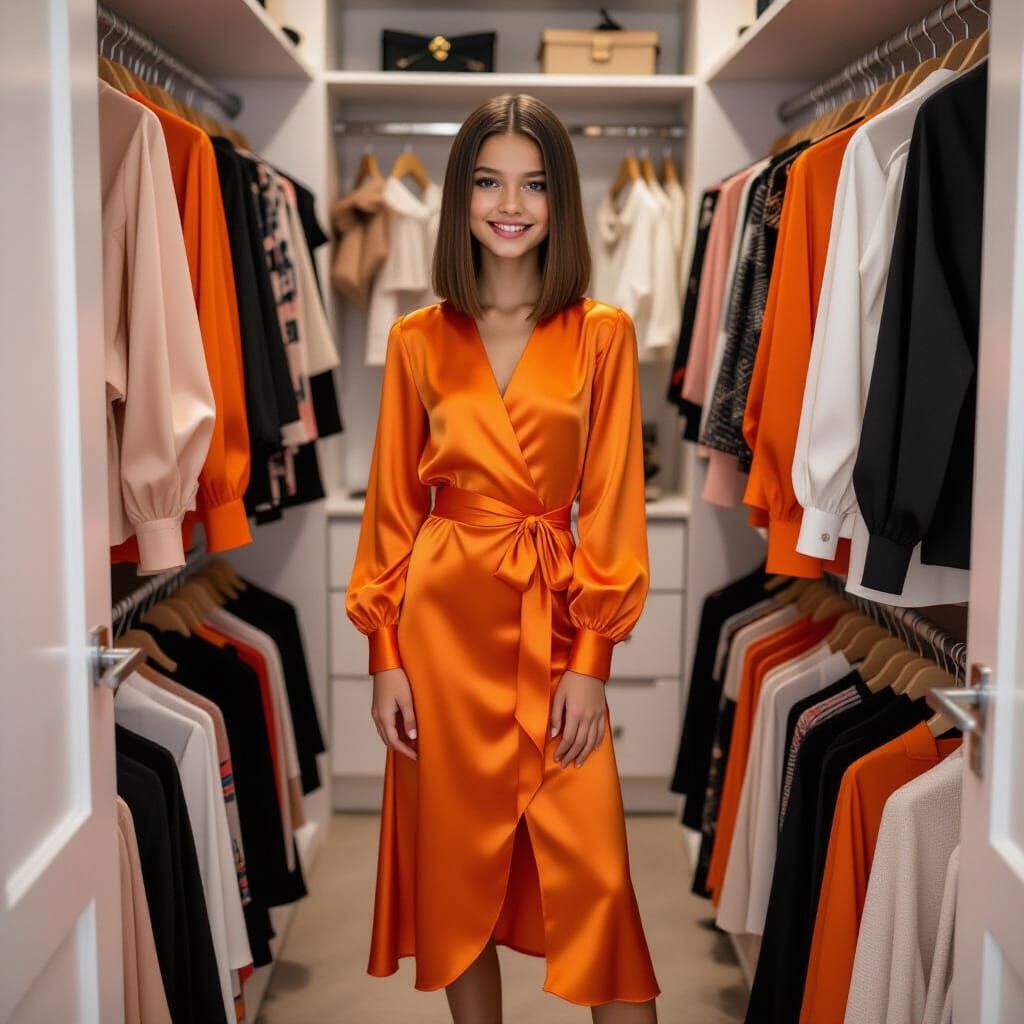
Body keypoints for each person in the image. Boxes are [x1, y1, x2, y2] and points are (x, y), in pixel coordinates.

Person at [346, 92, 660, 1023]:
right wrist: (384, 656)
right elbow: (391, 512)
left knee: (599, 884)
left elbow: (612, 501)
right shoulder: (417, 339)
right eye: (487, 181)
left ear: (561, 199)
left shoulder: (601, 332)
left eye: (533, 182)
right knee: (458, 882)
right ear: (460, 197)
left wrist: (593, 662)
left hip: (557, 622)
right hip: (441, 632)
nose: (509, 202)